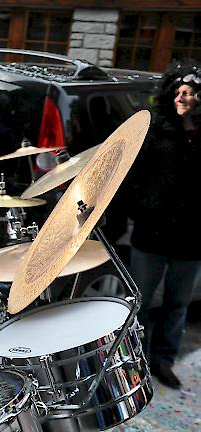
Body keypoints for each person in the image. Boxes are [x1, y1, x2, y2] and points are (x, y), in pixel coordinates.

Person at [124, 60, 201, 389]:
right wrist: (138, 209)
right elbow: (132, 177)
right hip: (150, 235)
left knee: (176, 305)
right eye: (179, 89)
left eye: (193, 91)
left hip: (191, 238)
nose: (184, 96)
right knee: (138, 304)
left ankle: (163, 362)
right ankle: (133, 362)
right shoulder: (153, 131)